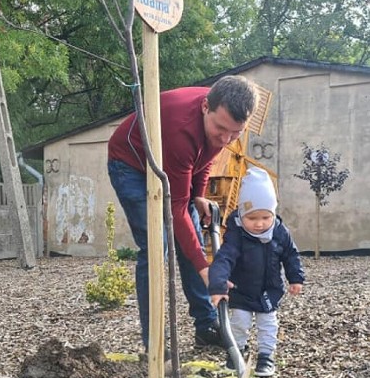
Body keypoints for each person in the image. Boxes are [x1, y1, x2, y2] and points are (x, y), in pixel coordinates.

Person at [107, 75, 259, 353]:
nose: (226, 139)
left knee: (192, 244)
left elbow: (206, 155)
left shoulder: (221, 121)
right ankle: (155, 347)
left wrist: (199, 194)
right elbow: (176, 208)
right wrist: (206, 269)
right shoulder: (182, 130)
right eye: (221, 129)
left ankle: (206, 326)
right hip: (132, 163)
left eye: (235, 133)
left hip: (172, 162)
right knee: (157, 247)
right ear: (205, 107)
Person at [208, 167, 304, 378]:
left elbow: (291, 255)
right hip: (241, 290)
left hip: (269, 290)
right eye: (252, 218)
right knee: (239, 323)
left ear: (273, 213)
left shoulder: (279, 232)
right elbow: (224, 259)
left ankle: (266, 356)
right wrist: (218, 284)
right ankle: (237, 350)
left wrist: (295, 277)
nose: (259, 224)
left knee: (267, 324)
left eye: (265, 217)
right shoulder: (236, 235)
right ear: (242, 215)